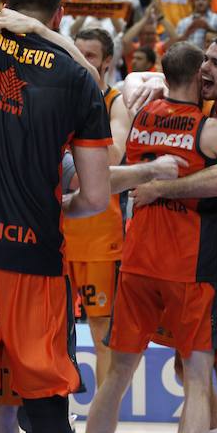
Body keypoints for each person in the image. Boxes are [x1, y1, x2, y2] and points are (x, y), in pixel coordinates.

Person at [81, 42, 217, 433]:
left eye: (216, 63)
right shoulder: (210, 126)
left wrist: (151, 182)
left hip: (163, 260)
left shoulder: (138, 114)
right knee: (196, 375)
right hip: (189, 267)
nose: (207, 69)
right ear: (194, 74)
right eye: (204, 61)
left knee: (132, 375)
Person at [0, 0, 112, 433]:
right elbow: (96, 196)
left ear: (6, 3)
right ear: (60, 14)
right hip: (32, 256)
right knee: (46, 399)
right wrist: (59, 206)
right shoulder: (77, 77)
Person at [62, 29, 131, 395]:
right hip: (56, 229)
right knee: (51, 330)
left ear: (107, 61)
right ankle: (57, 416)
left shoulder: (116, 102)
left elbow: (114, 157)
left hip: (99, 237)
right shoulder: (60, 93)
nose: (82, 60)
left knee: (101, 333)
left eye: (91, 55)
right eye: (78, 52)